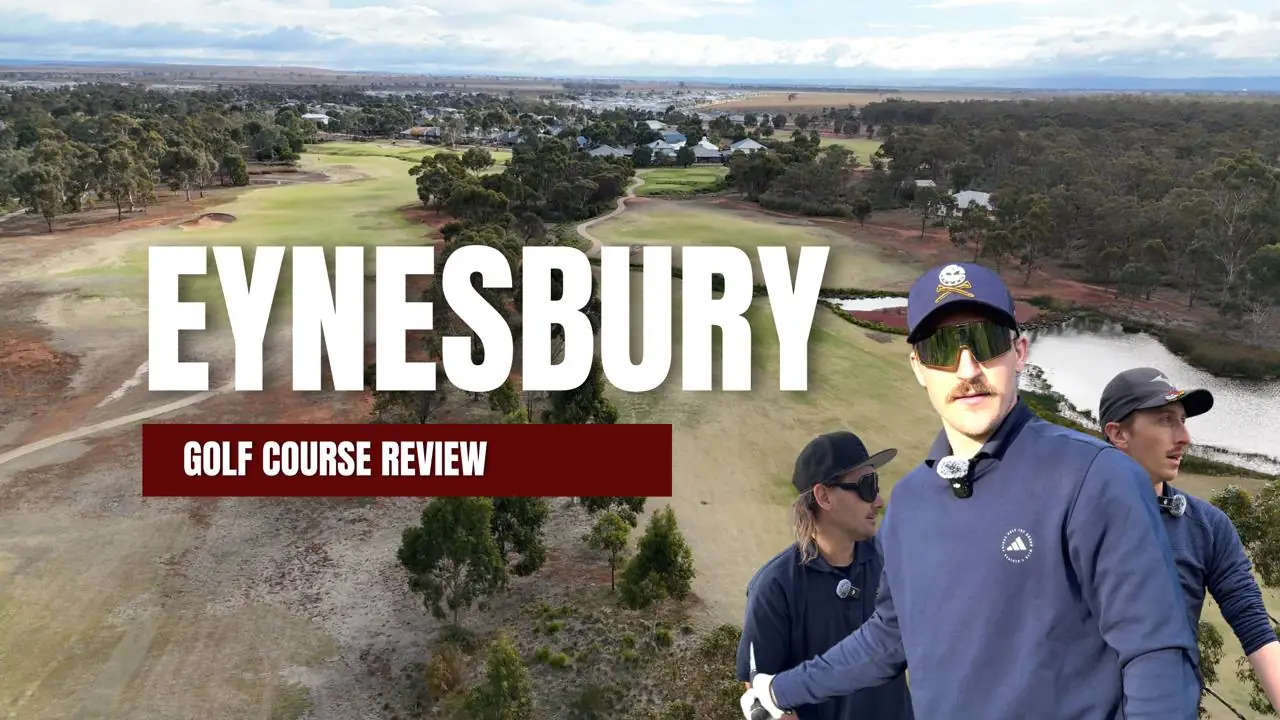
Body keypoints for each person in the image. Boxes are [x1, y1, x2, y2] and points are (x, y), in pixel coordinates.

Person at [738, 261, 1200, 720]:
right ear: (918, 367)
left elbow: (1157, 656)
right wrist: (780, 690)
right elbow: (889, 638)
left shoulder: (1096, 478)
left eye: (984, 342)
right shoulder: (910, 505)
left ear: (1019, 351)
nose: (967, 368)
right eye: (941, 348)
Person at [1099, 367, 1280, 711]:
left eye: (1182, 420)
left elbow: (1255, 627)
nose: (1185, 437)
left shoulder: (1208, 527)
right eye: (1166, 420)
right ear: (1118, 433)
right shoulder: (1068, 515)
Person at [735, 431, 913, 720]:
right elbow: (761, 696)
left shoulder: (892, 562)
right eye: (867, 487)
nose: (879, 500)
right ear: (824, 496)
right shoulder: (775, 587)